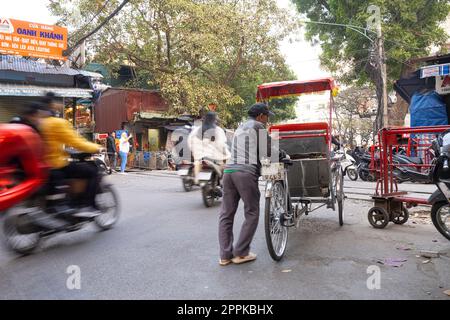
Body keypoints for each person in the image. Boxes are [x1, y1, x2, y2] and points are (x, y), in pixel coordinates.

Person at [218, 103, 282, 266]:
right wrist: (282, 154)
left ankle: (225, 255)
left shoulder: (240, 128)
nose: (267, 120)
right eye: (267, 116)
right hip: (245, 173)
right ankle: (241, 253)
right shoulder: (258, 125)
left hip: (229, 172)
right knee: (252, 211)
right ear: (261, 116)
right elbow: (269, 150)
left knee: (226, 214)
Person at [39, 92, 102, 214]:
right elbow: (76, 142)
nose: (60, 104)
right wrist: (96, 147)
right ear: (53, 104)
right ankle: (88, 206)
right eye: (58, 102)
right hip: (57, 165)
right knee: (92, 171)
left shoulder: (40, 122)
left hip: (44, 164)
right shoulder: (57, 123)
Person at [188, 111, 231, 184]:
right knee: (226, 161)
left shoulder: (197, 129)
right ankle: (222, 180)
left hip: (200, 155)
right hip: (213, 155)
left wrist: (193, 151)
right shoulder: (218, 130)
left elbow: (191, 141)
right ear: (214, 119)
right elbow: (221, 144)